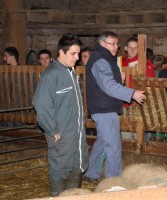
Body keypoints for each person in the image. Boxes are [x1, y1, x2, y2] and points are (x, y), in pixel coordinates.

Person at [84, 31, 146, 181]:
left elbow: (107, 82)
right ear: (103, 44)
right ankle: (114, 182)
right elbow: (108, 85)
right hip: (104, 108)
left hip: (104, 107)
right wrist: (132, 94)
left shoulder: (105, 58)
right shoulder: (100, 60)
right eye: (113, 44)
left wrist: (120, 78)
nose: (116, 47)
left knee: (103, 141)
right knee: (113, 146)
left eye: (117, 44)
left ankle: (91, 173)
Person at [32, 33, 89, 197]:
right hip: (61, 133)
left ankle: (73, 195)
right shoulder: (52, 74)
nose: (77, 58)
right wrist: (52, 129)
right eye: (73, 54)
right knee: (60, 167)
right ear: (61, 52)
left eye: (78, 53)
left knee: (77, 163)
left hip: (75, 131)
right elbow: (40, 103)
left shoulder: (69, 71)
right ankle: (56, 196)